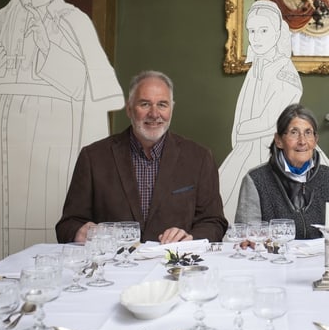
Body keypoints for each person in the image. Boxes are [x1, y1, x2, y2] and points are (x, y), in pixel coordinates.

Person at [0, 0, 124, 265]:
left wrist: (47, 52)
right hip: (3, 137)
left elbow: (93, 87)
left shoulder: (71, 20)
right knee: (2, 217)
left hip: (52, 134)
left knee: (47, 212)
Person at [219, 0, 329, 243]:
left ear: (278, 32)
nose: (256, 37)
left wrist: (243, 128)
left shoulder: (284, 72)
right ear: (280, 140)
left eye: (264, 30)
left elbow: (268, 120)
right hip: (254, 152)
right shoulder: (257, 69)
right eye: (252, 31)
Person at [55, 70, 228, 244]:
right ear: (129, 109)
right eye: (145, 104)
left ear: (171, 109)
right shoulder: (93, 157)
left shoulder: (199, 158)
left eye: (162, 104)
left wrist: (190, 238)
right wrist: (83, 233)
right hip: (113, 266)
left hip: (173, 266)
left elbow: (214, 222)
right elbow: (67, 225)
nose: (154, 114)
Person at [235, 103, 329, 239]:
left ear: (315, 140)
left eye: (308, 133)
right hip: (275, 258)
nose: (302, 141)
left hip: (318, 258)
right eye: (294, 132)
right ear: (279, 140)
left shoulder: (327, 176)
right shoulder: (255, 179)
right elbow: (248, 240)